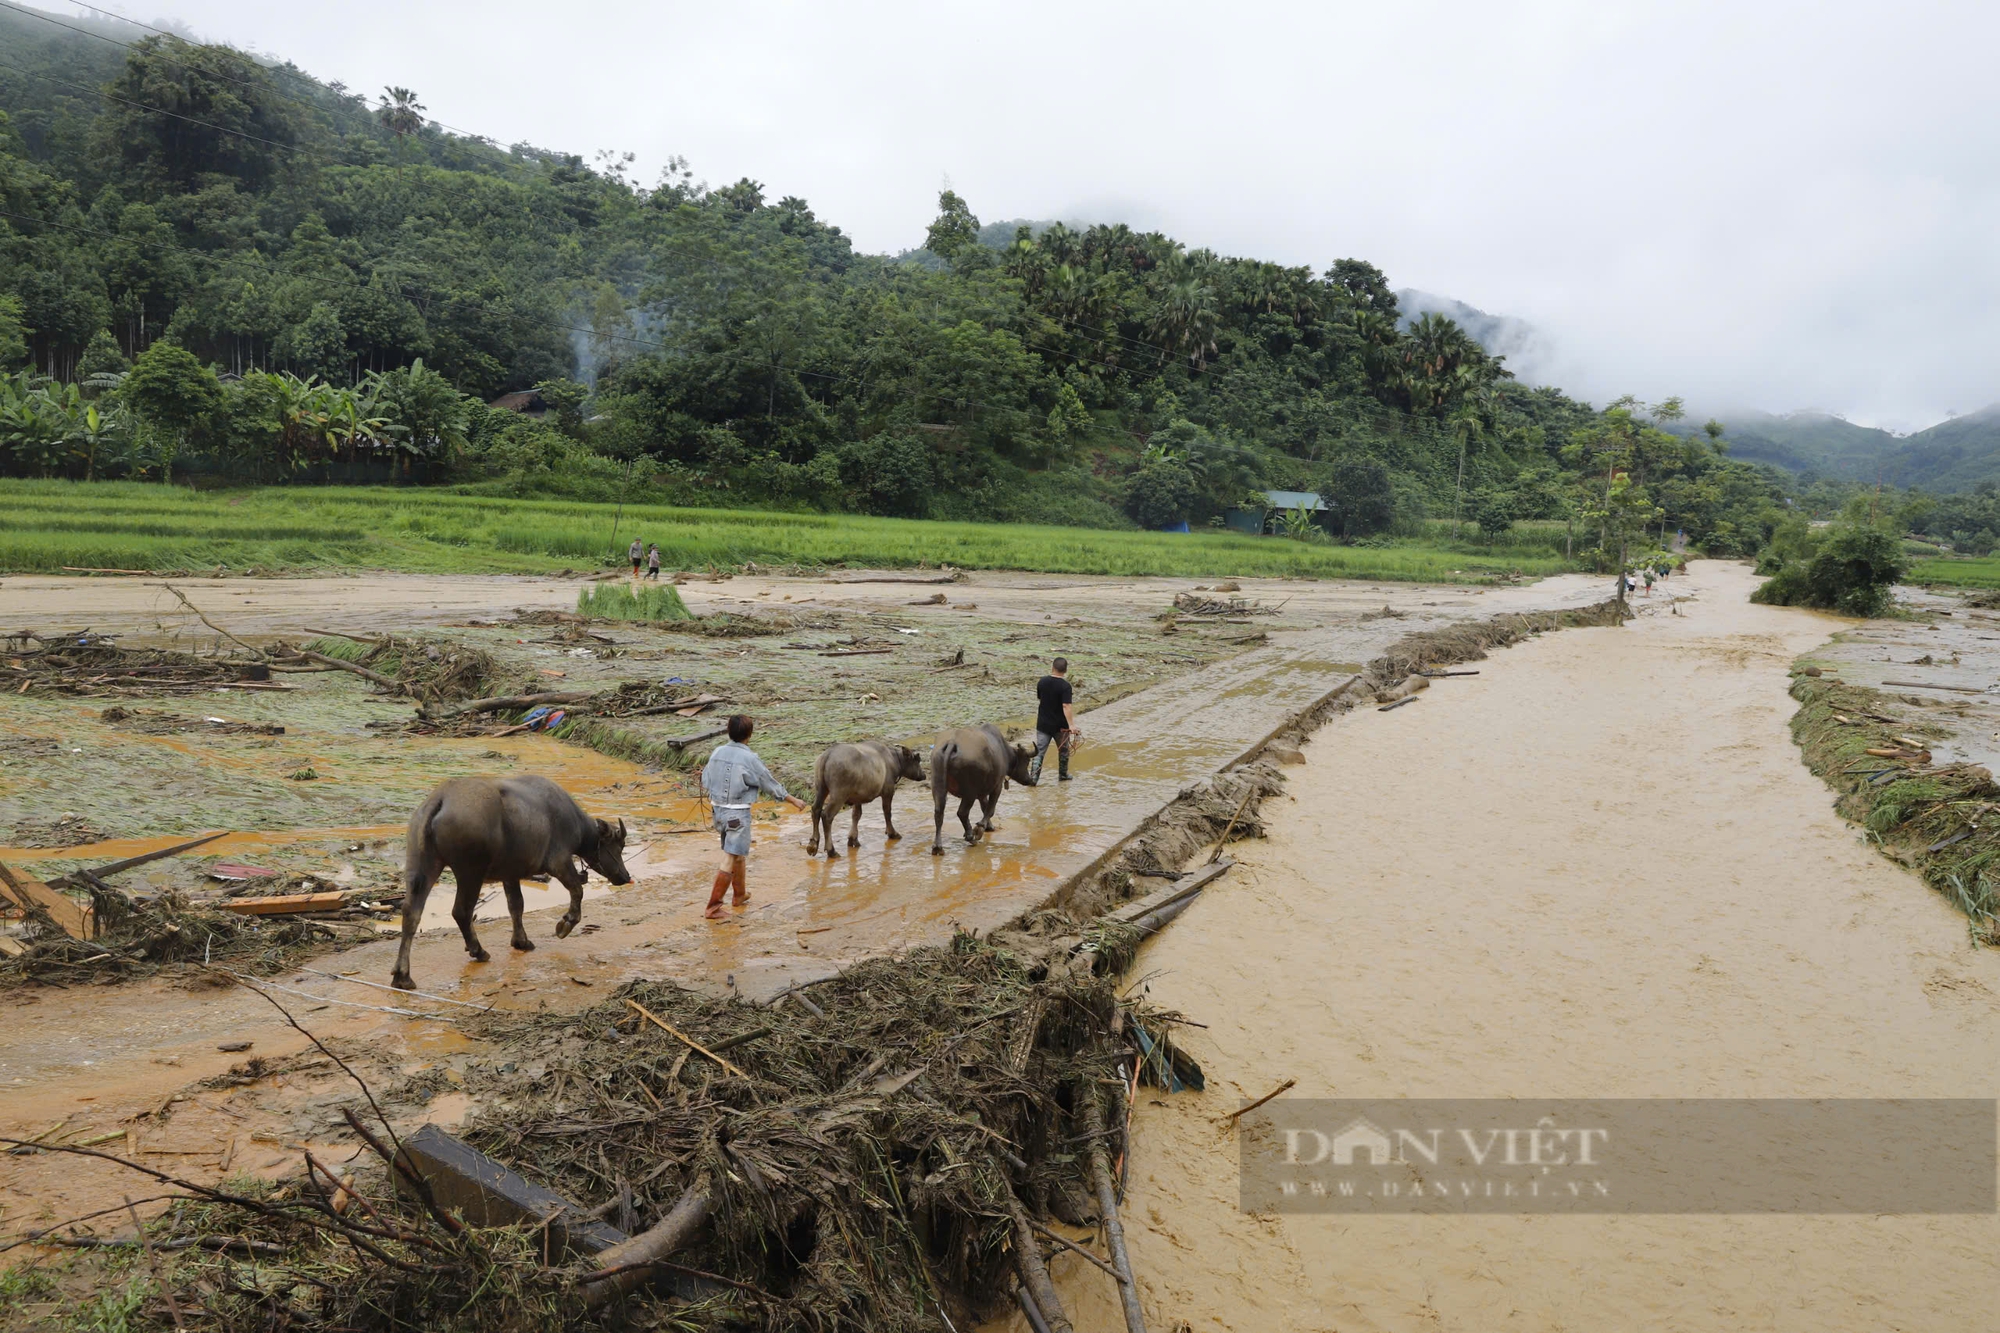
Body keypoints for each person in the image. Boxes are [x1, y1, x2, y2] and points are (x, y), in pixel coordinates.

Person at [700, 715, 806, 918]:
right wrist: (792, 800)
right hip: (737, 814)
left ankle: (739, 895)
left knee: (737, 852)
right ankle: (713, 907)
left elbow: (706, 778)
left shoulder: (717, 752)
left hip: (718, 812)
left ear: (728, 732)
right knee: (731, 856)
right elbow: (767, 781)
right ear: (749, 735)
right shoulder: (750, 758)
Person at [1030, 656, 1077, 783]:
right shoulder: (1065, 686)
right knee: (1064, 751)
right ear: (1065, 670)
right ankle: (1063, 775)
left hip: (1043, 724)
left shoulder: (1042, 682)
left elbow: (1040, 698)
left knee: (1039, 752)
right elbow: (1066, 706)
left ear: (1053, 668)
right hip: (1060, 727)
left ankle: (1033, 778)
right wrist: (1071, 725)